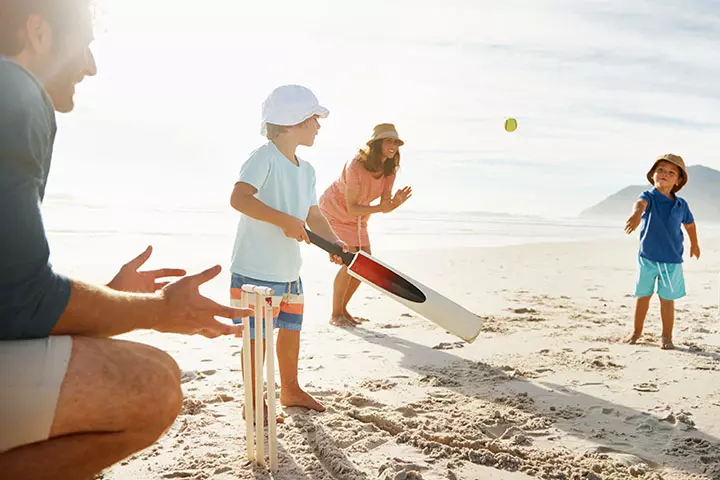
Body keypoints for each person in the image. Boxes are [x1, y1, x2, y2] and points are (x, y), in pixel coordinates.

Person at [0, 1, 250, 479]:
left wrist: (113, 296)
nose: (91, 66)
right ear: (38, 32)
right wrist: (160, 310)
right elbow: (19, 303)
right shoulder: (16, 92)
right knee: (154, 384)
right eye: (85, 45)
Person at [229, 85, 347, 413]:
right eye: (313, 119)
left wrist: (334, 243)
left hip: (289, 270)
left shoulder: (306, 170)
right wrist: (282, 220)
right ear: (291, 121)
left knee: (291, 331)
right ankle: (254, 402)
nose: (318, 127)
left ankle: (291, 390)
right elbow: (239, 199)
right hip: (255, 270)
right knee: (258, 339)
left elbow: (313, 214)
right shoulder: (262, 157)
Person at [318, 123, 412, 327]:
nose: (393, 145)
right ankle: (336, 314)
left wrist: (395, 203)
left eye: (396, 142)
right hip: (334, 211)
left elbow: (383, 207)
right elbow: (352, 207)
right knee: (349, 260)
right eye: (388, 140)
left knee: (365, 263)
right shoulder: (355, 165)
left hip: (358, 217)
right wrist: (381, 207)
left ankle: (343, 310)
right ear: (376, 143)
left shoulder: (390, 170)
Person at [624, 153, 700, 350]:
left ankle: (666, 336)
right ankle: (637, 331)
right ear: (653, 174)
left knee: (667, 299)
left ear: (678, 180)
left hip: (671, 260)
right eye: (660, 170)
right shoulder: (649, 196)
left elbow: (690, 225)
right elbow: (640, 204)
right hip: (647, 258)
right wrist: (636, 215)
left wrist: (695, 244)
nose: (664, 174)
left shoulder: (681, 204)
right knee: (643, 297)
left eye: (671, 172)